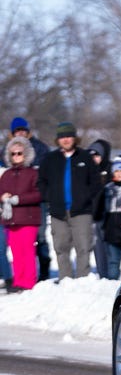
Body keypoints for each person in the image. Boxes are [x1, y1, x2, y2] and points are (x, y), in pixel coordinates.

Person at [37, 122, 103, 280]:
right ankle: (65, 280)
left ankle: (82, 281)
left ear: (75, 138)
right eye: (62, 137)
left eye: (69, 136)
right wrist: (50, 197)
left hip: (81, 211)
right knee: (61, 248)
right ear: (58, 140)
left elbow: (95, 183)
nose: (66, 139)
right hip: (58, 212)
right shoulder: (50, 159)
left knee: (83, 247)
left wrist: (86, 199)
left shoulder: (85, 157)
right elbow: (41, 182)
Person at [11, 117, 51, 280]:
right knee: (19, 241)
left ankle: (43, 271)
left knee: (39, 237)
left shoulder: (40, 148)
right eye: (17, 131)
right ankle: (25, 274)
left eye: (23, 130)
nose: (20, 133)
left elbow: (45, 175)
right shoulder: (8, 150)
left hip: (37, 201)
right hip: (15, 203)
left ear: (28, 132)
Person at [0, 137, 41, 292]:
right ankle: (18, 281)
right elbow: (1, 190)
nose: (16, 156)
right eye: (13, 153)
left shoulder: (33, 173)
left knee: (27, 252)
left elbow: (38, 194)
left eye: (19, 153)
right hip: (11, 219)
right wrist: (3, 197)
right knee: (16, 253)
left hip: (28, 218)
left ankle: (28, 282)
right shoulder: (6, 174)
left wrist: (18, 199)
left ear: (27, 154)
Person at [100, 156, 121, 280]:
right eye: (116, 171)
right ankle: (111, 284)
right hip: (112, 230)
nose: (119, 174)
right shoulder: (108, 188)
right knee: (113, 262)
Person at [86, 140, 113, 282]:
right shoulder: (87, 170)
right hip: (94, 213)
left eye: (97, 155)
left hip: (109, 214)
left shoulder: (111, 168)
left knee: (110, 246)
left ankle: (111, 273)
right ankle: (103, 274)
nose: (94, 158)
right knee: (98, 246)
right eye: (91, 155)